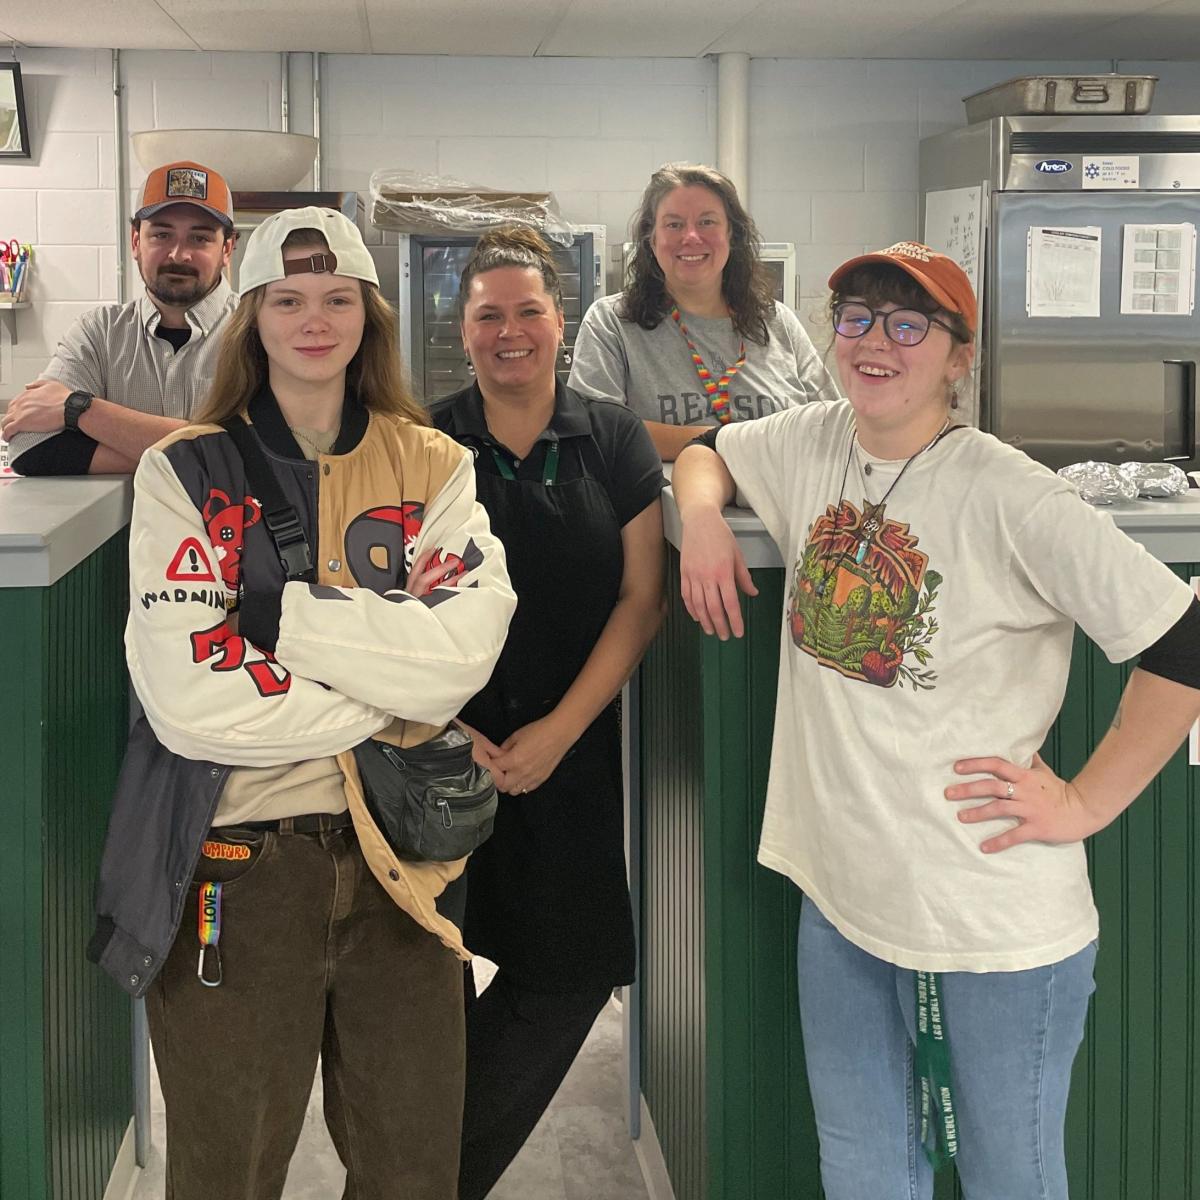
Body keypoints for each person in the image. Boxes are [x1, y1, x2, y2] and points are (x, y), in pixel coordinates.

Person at [672, 241, 1200, 1199]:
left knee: (1011, 1178)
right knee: (866, 1172)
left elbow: (1182, 643)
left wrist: (1084, 803)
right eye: (858, 317)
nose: (877, 341)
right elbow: (708, 452)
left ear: (958, 357)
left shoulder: (1013, 494)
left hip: (986, 915)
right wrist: (704, 521)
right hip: (841, 897)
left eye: (910, 323)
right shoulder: (812, 440)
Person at [88, 206, 516, 1200]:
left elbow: (464, 656)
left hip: (405, 866)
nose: (313, 319)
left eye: (336, 298)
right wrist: (389, 687)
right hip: (238, 864)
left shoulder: (434, 465)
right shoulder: (183, 471)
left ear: (368, 314)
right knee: (225, 1172)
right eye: (287, 298)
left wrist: (281, 628)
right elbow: (190, 702)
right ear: (252, 316)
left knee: (412, 1172)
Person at [430, 226, 665, 1199]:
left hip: (568, 756)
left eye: (529, 310)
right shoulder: (427, 440)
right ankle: (412, 1166)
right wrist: (450, 731)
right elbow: (389, 603)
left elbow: (641, 598)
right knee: (423, 984)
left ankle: (430, 1177)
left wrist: (562, 729)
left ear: (561, 322)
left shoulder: (609, 435)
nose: (511, 331)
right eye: (490, 314)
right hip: (439, 761)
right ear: (465, 331)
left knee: (566, 976)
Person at [568, 161, 839, 461]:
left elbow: (831, 426)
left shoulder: (777, 321)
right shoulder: (612, 323)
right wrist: (732, 442)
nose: (692, 237)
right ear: (651, 238)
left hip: (784, 506)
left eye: (707, 222)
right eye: (674, 224)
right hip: (667, 508)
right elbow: (598, 432)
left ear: (732, 235)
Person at [2, 160, 238, 475]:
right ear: (136, 241)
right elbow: (28, 446)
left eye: (199, 238)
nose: (178, 254)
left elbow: (270, 452)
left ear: (227, 249)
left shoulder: (258, 330)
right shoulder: (97, 333)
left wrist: (80, 410)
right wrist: (206, 457)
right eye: (162, 235)